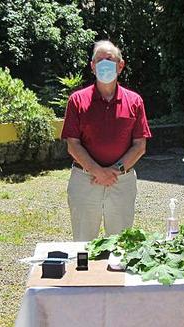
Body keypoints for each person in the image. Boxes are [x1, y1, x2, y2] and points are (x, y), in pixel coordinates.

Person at [61, 40, 152, 242]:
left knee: (121, 243)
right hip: (84, 180)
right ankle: (84, 275)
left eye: (109, 59)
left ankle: (117, 275)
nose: (104, 63)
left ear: (121, 65)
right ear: (92, 66)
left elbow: (139, 146)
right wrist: (97, 171)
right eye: (99, 60)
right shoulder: (77, 100)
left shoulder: (135, 101)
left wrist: (114, 171)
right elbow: (73, 144)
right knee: (83, 243)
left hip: (122, 180)